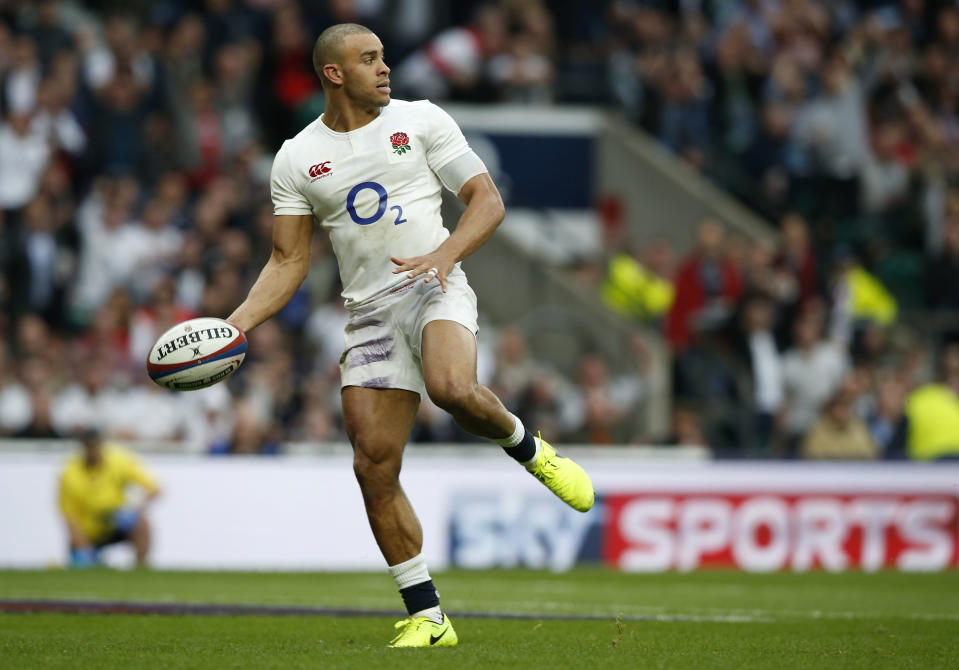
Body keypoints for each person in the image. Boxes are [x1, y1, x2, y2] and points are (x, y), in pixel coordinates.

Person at [226, 23, 594, 648]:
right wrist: (236, 325)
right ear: (334, 74)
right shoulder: (295, 158)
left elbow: (486, 199)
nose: (385, 68)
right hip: (368, 315)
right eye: (369, 59)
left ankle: (528, 447)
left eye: (383, 57)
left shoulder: (422, 119)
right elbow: (288, 261)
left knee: (452, 387)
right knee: (373, 465)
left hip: (434, 284)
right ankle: (428, 615)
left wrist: (446, 254)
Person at [58, 428, 161, 568]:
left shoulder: (118, 462)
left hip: (116, 524)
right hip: (88, 531)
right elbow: (70, 518)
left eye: (96, 446)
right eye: (89, 447)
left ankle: (140, 568)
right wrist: (84, 548)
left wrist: (136, 510)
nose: (93, 451)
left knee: (142, 525)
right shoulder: (70, 473)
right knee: (82, 565)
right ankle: (88, 560)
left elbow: (154, 488)